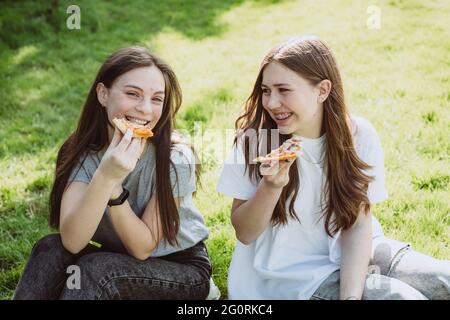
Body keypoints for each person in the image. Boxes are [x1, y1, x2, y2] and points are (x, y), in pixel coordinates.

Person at [217, 36, 450, 300]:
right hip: (290, 274)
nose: (271, 103)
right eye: (266, 91)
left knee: (445, 279)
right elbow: (245, 233)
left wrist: (349, 297)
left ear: (322, 90)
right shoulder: (254, 143)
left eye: (284, 90)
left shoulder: (359, 135)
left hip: (361, 250)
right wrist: (270, 186)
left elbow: (358, 224)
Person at [13, 46, 214, 300]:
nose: (145, 109)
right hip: (115, 257)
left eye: (156, 99)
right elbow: (73, 241)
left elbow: (142, 248)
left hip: (181, 270)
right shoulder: (82, 152)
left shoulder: (176, 158)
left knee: (95, 270)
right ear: (103, 94)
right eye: (133, 94)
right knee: (49, 248)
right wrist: (106, 173)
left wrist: (114, 185)